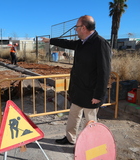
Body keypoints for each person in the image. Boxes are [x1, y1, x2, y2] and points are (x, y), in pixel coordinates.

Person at [42, 15, 112, 145]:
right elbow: (67, 43)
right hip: (78, 90)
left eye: (77, 27)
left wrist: (98, 95)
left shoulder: (100, 44)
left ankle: (89, 145)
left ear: (84, 28)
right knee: (73, 117)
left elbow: (104, 72)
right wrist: (50, 40)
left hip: (91, 93)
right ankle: (70, 138)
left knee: (90, 122)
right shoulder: (82, 42)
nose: (75, 29)